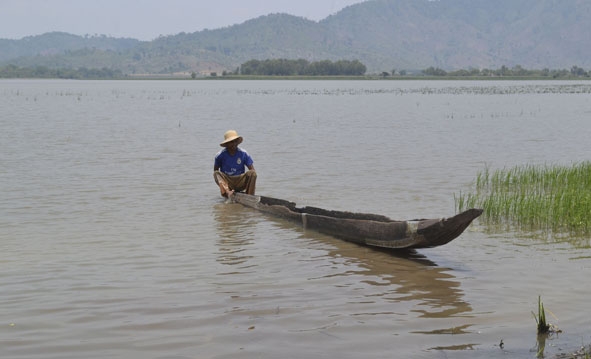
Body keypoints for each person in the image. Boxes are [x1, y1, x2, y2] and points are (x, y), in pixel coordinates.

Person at [213, 130, 257, 197]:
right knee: (216, 173)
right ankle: (227, 192)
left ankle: (249, 195)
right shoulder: (220, 155)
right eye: (231, 142)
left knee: (253, 173)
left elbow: (252, 169)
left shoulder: (243, 153)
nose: (234, 144)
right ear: (227, 144)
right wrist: (224, 187)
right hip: (228, 182)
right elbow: (215, 170)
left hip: (240, 180)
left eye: (235, 141)